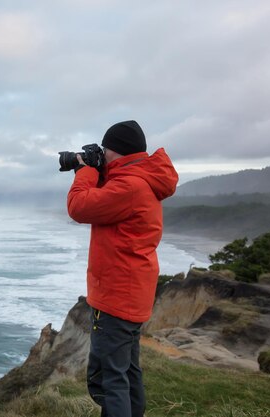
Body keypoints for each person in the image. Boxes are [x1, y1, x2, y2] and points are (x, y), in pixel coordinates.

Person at [67, 120, 178, 417]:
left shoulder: (129, 186)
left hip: (116, 296)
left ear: (114, 150)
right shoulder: (140, 180)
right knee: (127, 373)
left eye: (105, 150)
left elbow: (79, 206)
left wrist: (86, 171)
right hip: (132, 293)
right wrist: (100, 171)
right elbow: (106, 198)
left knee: (109, 379)